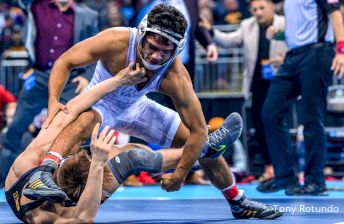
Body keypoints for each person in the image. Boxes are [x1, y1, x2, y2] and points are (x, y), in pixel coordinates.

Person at [23, 4, 278, 218]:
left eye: (165, 51)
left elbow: (198, 129)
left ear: (176, 50)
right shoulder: (116, 40)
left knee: (200, 140)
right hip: (103, 101)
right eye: (152, 47)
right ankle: (43, 173)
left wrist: (179, 175)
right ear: (142, 34)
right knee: (84, 119)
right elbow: (65, 60)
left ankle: (237, 200)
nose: (156, 57)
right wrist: (53, 100)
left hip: (138, 106)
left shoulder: (176, 75)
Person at [5, 64, 281, 223]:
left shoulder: (31, 158)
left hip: (51, 171)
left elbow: (76, 105)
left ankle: (205, 150)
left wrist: (118, 80)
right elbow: (83, 220)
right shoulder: (48, 216)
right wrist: (100, 163)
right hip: (77, 189)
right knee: (134, 158)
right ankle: (204, 149)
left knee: (81, 119)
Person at [0, 0, 99, 184]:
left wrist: (87, 75)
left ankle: (69, 180)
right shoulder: (35, 5)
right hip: (39, 76)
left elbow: (95, 49)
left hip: (71, 79)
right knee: (17, 125)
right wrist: (29, 67)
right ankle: (3, 178)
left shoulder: (88, 15)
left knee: (71, 129)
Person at [259, 0, 344, 195]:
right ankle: (285, 177)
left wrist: (341, 51)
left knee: (311, 118)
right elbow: (301, 27)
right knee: (270, 112)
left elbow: (336, 14)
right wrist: (280, 34)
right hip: (293, 56)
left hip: (317, 53)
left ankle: (315, 181)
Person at [200, 0, 288, 182]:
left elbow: (296, 46)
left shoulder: (284, 25)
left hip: (280, 82)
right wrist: (210, 31)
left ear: (271, 7)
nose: (258, 12)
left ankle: (285, 168)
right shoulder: (248, 25)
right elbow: (228, 40)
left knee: (277, 123)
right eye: (255, 9)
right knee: (260, 123)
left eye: (262, 8)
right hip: (257, 83)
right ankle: (270, 167)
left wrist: (284, 60)